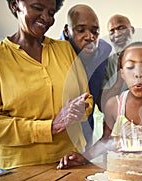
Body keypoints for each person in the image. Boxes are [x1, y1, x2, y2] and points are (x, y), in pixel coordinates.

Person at [0, 0, 93, 175]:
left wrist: (81, 109)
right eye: (38, 8)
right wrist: (50, 127)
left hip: (68, 160)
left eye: (51, 13)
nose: (46, 18)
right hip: (15, 166)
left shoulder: (65, 49)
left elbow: (86, 98)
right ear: (15, 4)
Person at [57, 42, 142, 169]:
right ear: (122, 74)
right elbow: (106, 140)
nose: (138, 74)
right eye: (130, 67)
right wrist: (84, 157)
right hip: (123, 172)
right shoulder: (114, 105)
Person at [60, 4, 111, 147]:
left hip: (86, 137)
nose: (90, 37)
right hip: (57, 139)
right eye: (81, 30)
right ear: (67, 30)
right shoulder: (54, 54)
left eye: (95, 32)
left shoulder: (103, 51)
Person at [100, 14, 135, 112]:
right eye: (112, 31)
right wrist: (119, 80)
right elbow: (102, 105)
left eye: (121, 28)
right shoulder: (106, 63)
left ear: (132, 30)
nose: (117, 34)